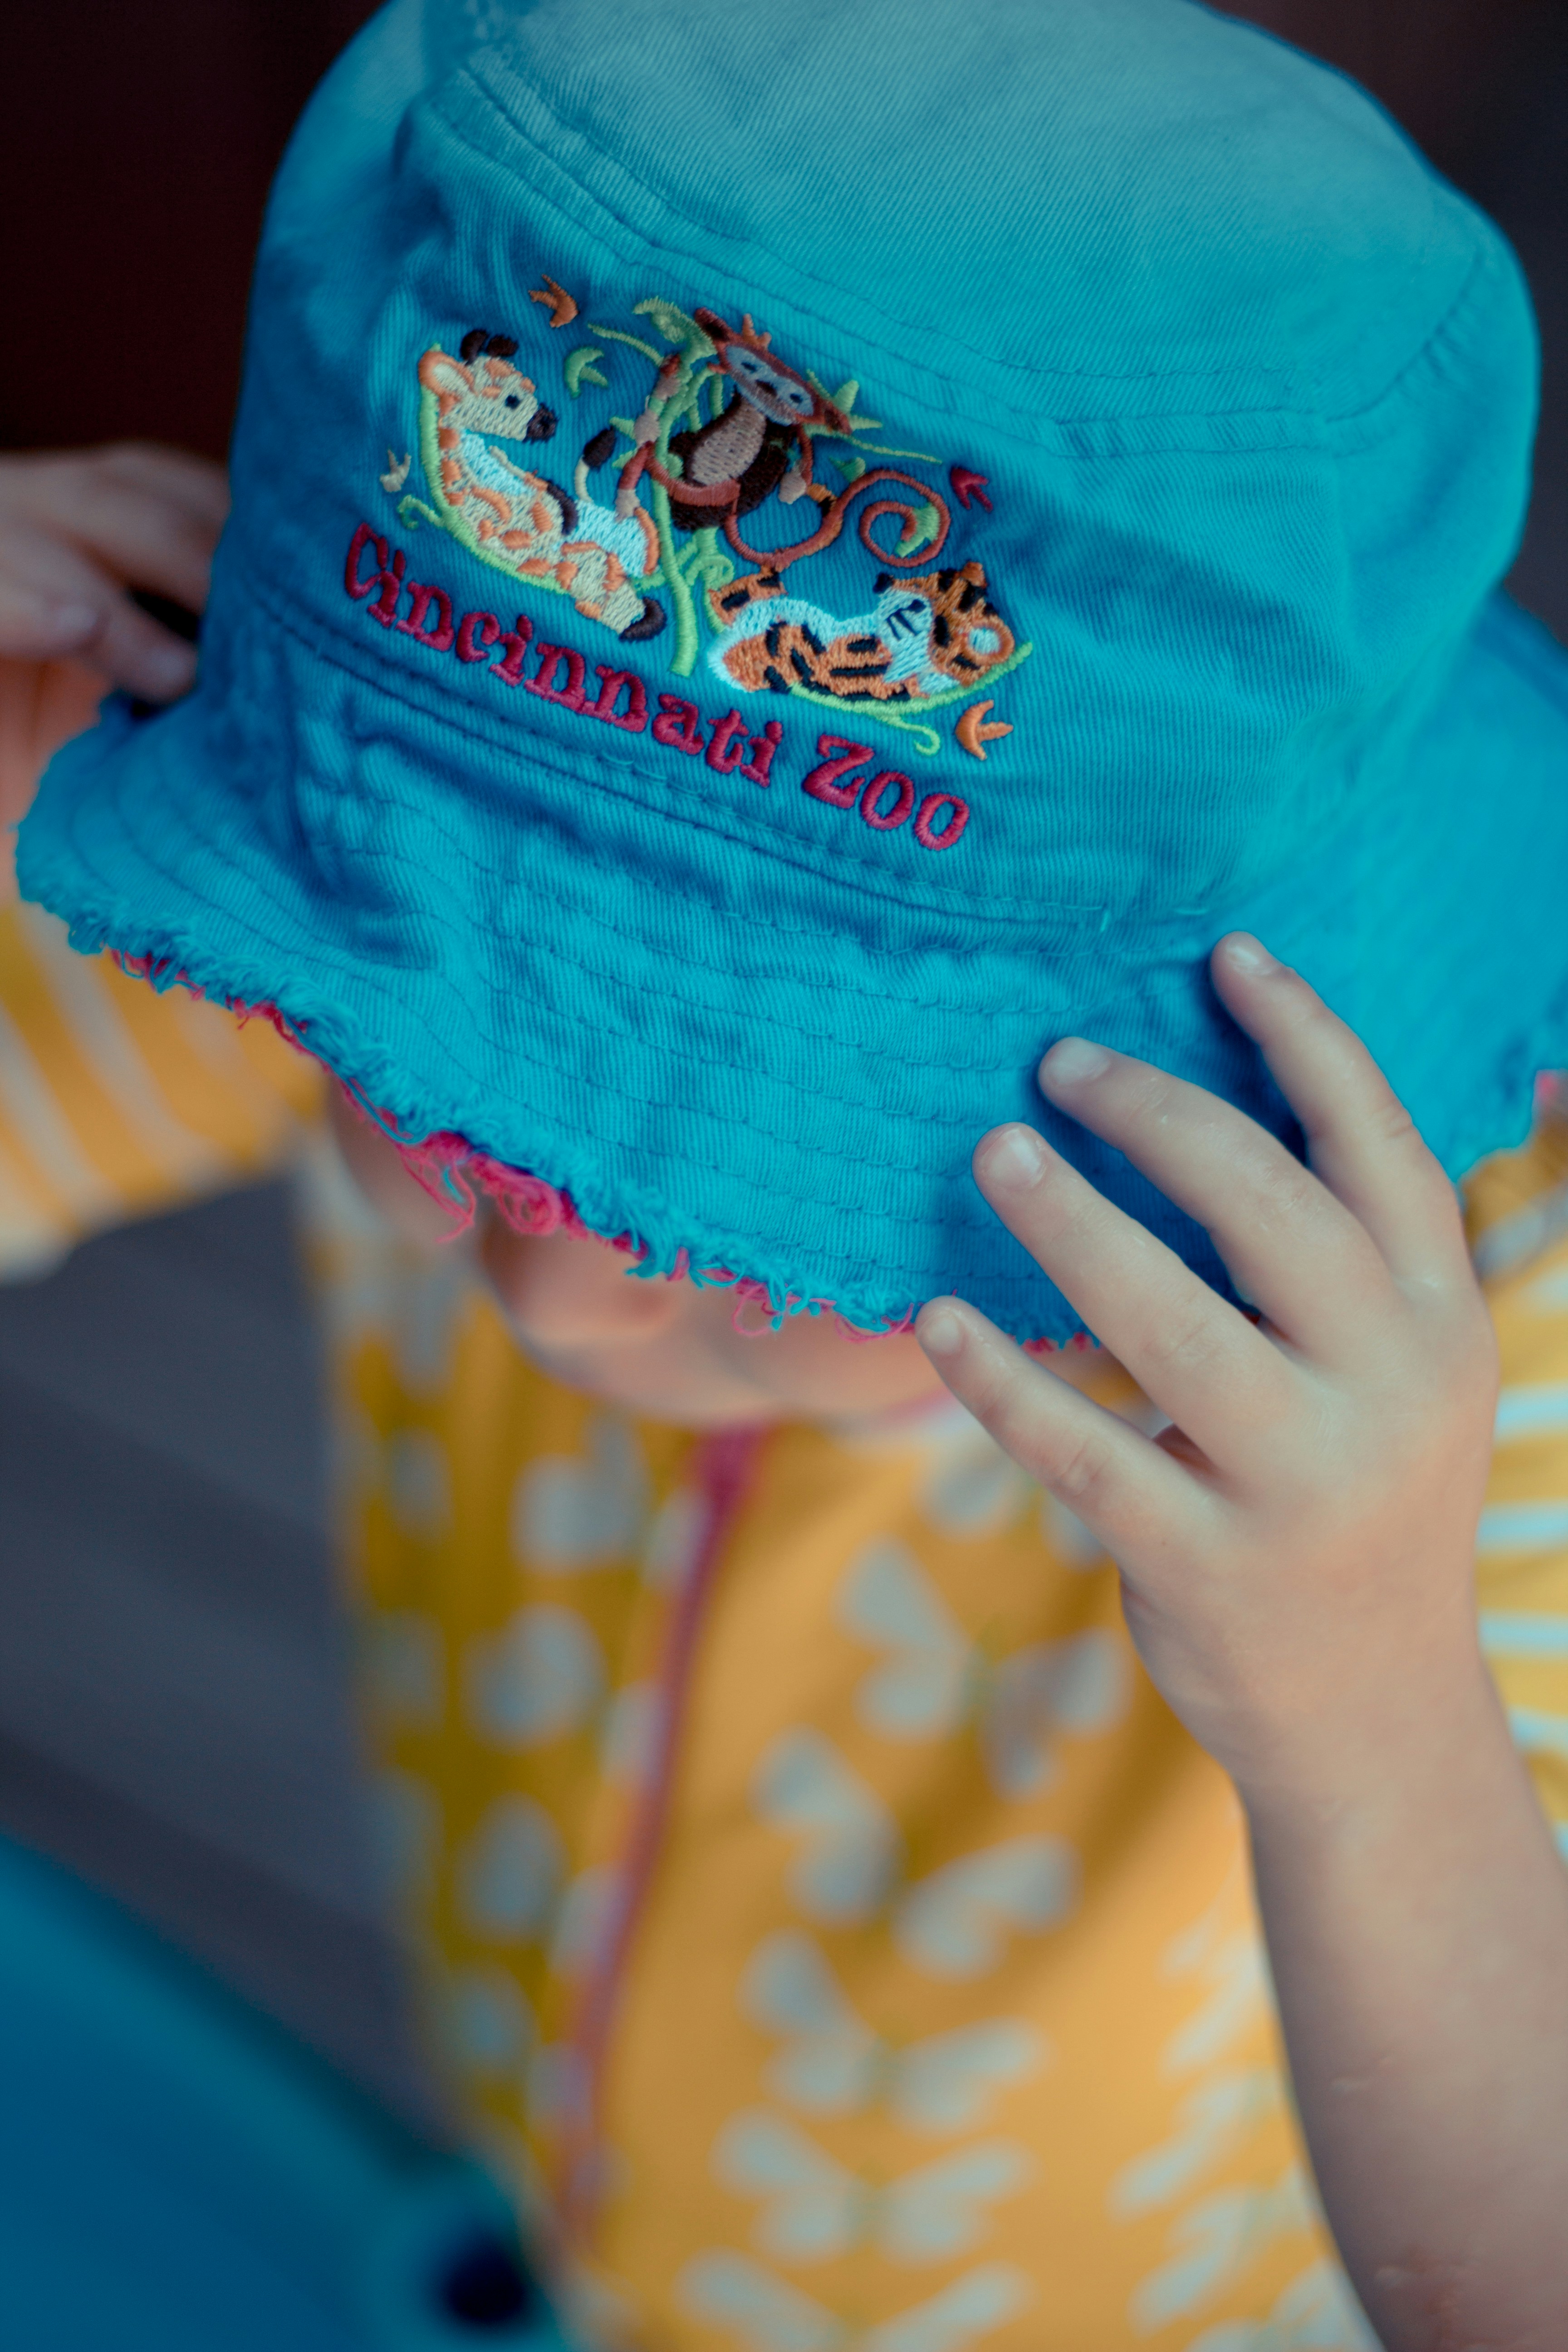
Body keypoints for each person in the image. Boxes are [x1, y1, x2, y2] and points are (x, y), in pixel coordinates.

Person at [6, 2, 1568, 2346]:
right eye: (458, 1115)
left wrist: (1365, 1720)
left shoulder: (1475, 1338)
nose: (547, 1293)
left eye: (757, 1215)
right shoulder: (336, 924)